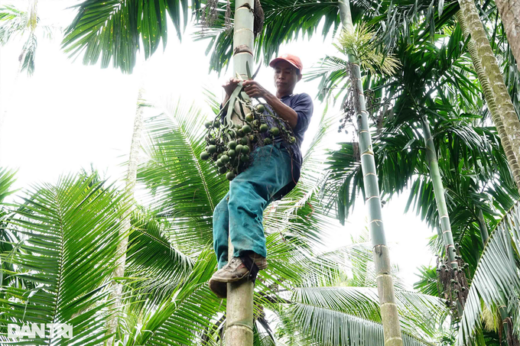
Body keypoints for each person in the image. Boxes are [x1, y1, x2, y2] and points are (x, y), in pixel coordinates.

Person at [209, 54, 314, 298]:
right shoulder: (258, 109)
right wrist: (229, 93)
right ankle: (228, 265)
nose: (282, 75)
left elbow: (296, 123)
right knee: (222, 211)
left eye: (288, 71)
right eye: (278, 70)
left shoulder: (300, 99)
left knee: (243, 186)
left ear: (298, 76)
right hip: (257, 160)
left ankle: (249, 256)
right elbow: (229, 120)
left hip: (280, 156)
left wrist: (264, 94)